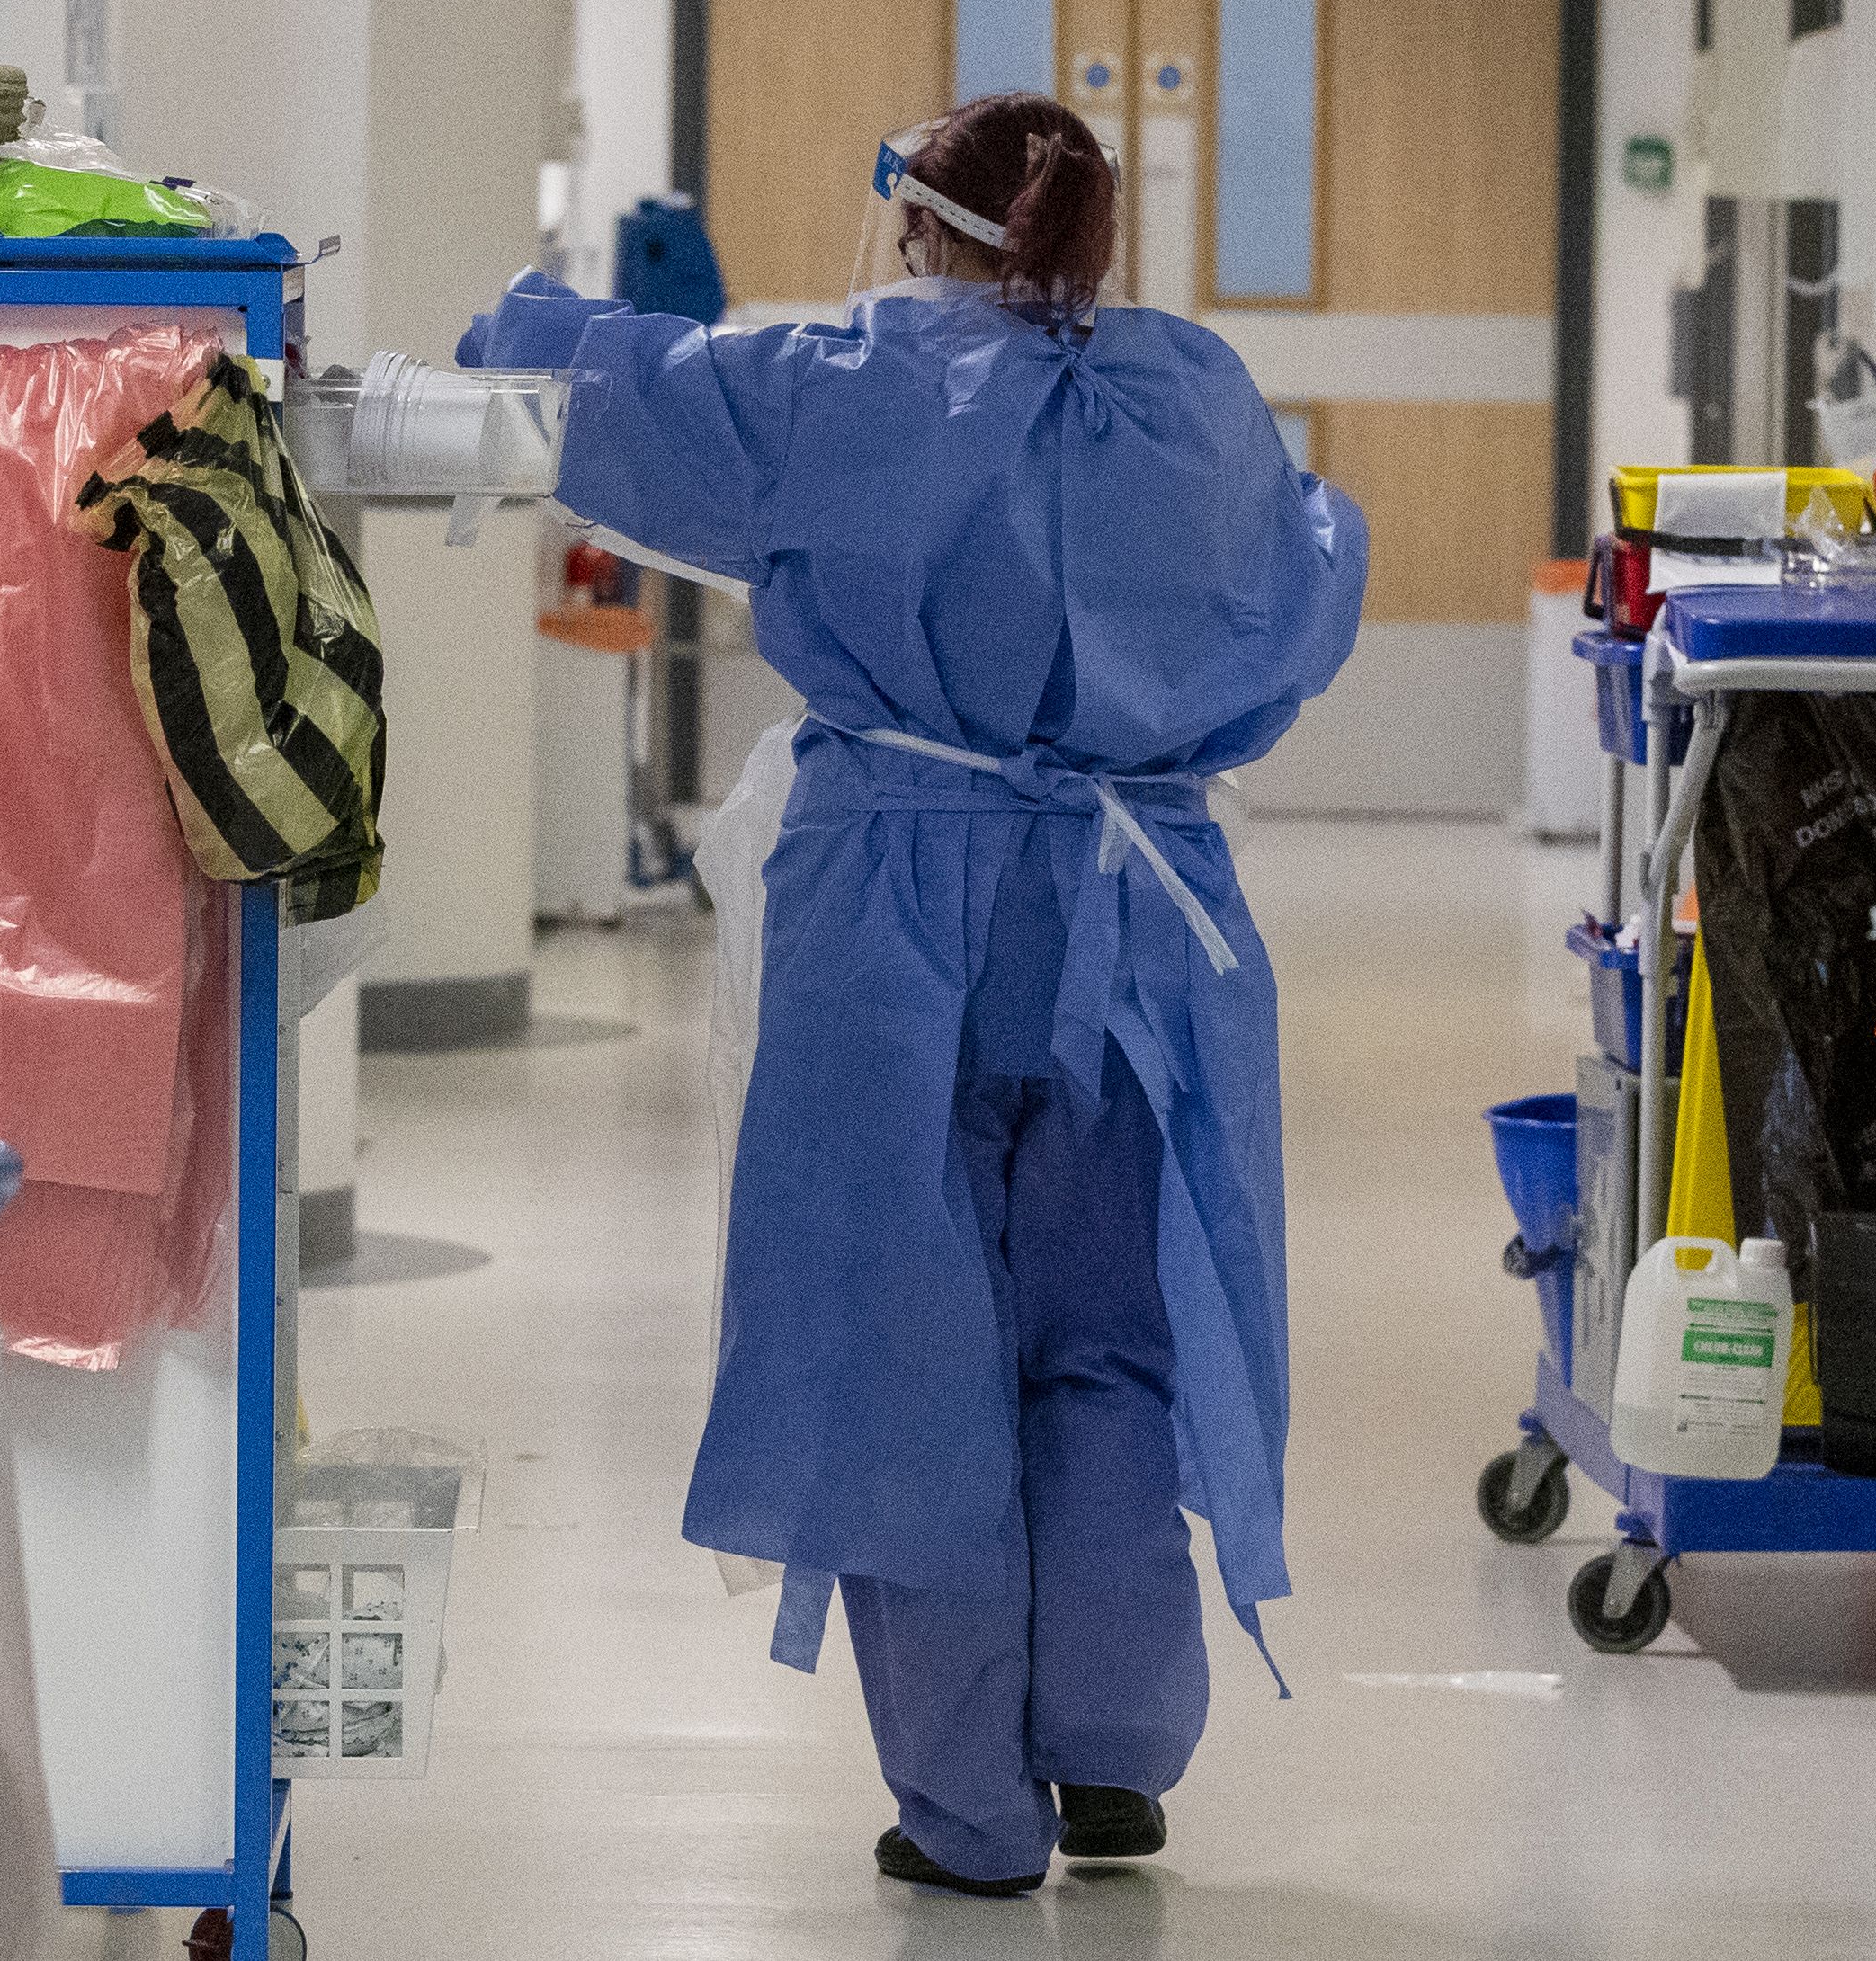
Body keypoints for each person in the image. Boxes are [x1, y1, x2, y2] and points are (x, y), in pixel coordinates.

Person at [459, 92, 1366, 1895]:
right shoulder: (1189, 396)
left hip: (895, 900)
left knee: (907, 1346)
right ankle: (1108, 1756)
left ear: (914, 224)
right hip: (1131, 908)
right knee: (1109, 1330)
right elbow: (1309, 568)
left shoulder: (844, 379)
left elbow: (603, 385)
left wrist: (513, 309)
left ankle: (966, 1813)